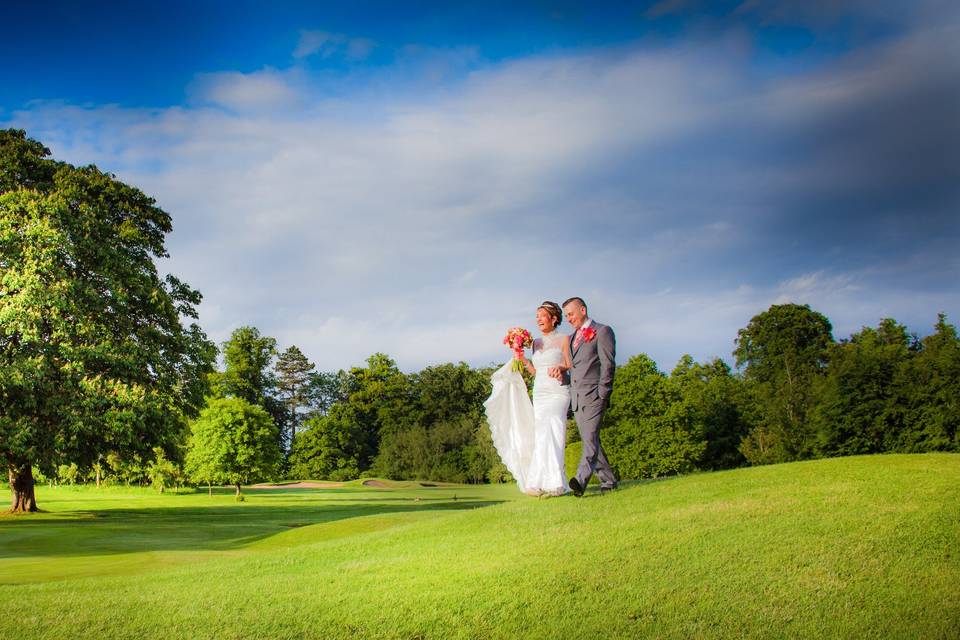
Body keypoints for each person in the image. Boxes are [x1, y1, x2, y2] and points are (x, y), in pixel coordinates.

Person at [484, 301, 571, 496]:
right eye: (537, 315)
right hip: (539, 393)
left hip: (558, 391)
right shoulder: (535, 343)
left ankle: (557, 483)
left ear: (554, 318)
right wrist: (522, 359)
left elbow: (570, 364)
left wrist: (561, 368)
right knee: (541, 435)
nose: (538, 319)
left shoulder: (565, 339)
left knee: (554, 431)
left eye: (542, 315)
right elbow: (535, 372)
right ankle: (537, 483)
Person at [555, 297, 618, 496]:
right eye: (566, 316)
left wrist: (603, 393)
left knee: (589, 438)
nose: (569, 318)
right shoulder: (572, 338)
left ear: (582, 310)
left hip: (594, 396)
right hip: (578, 399)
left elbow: (608, 364)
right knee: (592, 441)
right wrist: (562, 375)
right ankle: (608, 480)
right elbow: (575, 369)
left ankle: (580, 481)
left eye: (571, 314)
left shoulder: (603, 331)